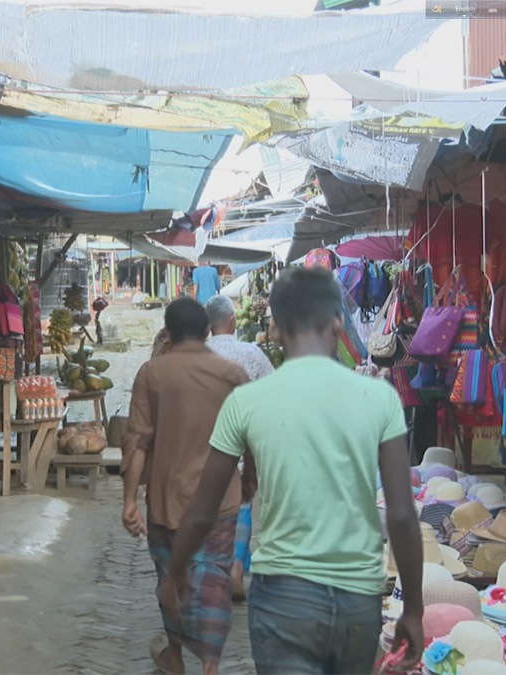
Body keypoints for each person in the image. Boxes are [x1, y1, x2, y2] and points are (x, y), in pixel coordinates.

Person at [161, 267, 425, 675]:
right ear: (338, 321)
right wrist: (413, 609)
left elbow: (202, 509)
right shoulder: (380, 398)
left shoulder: (246, 402)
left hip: (283, 600)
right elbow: (404, 517)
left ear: (277, 329)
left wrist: (174, 574)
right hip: (359, 601)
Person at [122, 298, 250, 675]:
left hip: (166, 501)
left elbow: (137, 440)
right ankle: (210, 663)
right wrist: (252, 478)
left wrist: (129, 499)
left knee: (171, 579)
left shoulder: (152, 373)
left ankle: (175, 654)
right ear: (208, 331)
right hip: (221, 501)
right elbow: (251, 434)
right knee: (213, 580)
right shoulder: (232, 375)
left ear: (168, 332)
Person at [203, 295, 273, 600]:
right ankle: (235, 568)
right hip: (243, 443)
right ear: (232, 320)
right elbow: (273, 391)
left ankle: (212, 570)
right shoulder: (252, 352)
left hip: (203, 444)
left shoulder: (197, 355)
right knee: (242, 502)